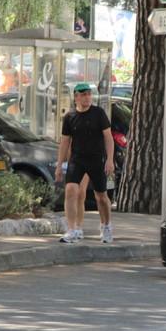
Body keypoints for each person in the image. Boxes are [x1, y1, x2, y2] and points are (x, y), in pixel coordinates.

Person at [56, 83, 115, 243]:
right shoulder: (69, 117)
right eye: (83, 95)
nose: (87, 97)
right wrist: (60, 165)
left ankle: (106, 226)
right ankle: (73, 229)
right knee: (71, 191)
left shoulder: (99, 113)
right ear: (76, 97)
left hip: (96, 160)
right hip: (77, 160)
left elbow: (108, 138)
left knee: (101, 196)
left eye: (89, 94)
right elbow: (65, 142)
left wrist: (109, 160)